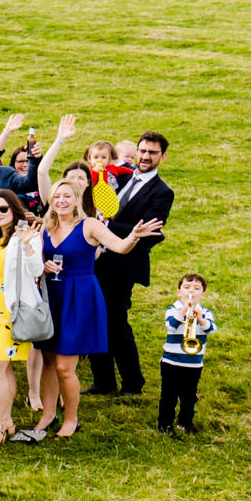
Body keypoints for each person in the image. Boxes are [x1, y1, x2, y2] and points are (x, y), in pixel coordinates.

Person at [25, 170, 163, 441]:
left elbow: (120, 247)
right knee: (48, 360)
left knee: (65, 367)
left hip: (80, 297)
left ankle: (71, 418)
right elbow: (35, 262)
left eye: (67, 196)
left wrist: (134, 235)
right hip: (52, 296)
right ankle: (48, 414)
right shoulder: (46, 226)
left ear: (77, 199)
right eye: (57, 196)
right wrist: (42, 265)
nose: (61, 200)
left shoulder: (89, 225)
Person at [90, 130, 174, 397]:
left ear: (163, 156)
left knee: (116, 324)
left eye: (152, 152)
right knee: (95, 320)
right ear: (135, 152)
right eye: (143, 151)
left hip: (123, 266)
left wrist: (108, 226)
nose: (146, 156)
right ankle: (103, 381)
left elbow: (151, 231)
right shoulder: (124, 177)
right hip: (97, 262)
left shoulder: (162, 192)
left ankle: (132, 384)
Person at [0, 190, 40, 451]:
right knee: (4, 370)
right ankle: (7, 420)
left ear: (14, 209)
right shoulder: (0, 239)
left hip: (13, 313)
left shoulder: (24, 234)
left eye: (3, 209)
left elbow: (35, 270)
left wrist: (27, 244)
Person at [158, 272, 214, 434]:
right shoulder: (173, 309)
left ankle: (185, 422)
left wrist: (201, 319)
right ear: (179, 292)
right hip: (171, 362)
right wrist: (184, 310)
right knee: (169, 395)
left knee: (189, 396)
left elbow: (210, 329)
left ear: (202, 295)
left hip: (194, 362)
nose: (191, 291)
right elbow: (171, 325)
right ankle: (165, 424)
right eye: (187, 287)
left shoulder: (206, 312)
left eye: (196, 288)